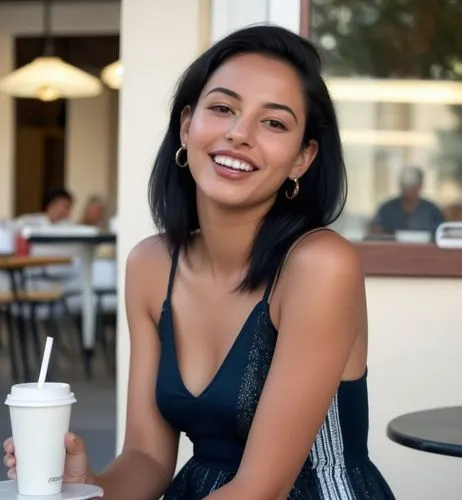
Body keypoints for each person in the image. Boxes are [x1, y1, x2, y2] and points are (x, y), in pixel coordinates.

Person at [3, 26, 395, 499]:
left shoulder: (320, 266)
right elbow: (146, 459)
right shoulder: (150, 266)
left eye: (273, 123)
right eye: (223, 108)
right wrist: (85, 487)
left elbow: (261, 490)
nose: (239, 134)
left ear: (301, 158)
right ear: (187, 126)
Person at [370, 166, 444, 235]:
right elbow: (375, 231)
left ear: (420, 186)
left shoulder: (432, 211)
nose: (409, 191)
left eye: (413, 186)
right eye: (405, 186)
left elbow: (443, 233)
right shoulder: (387, 209)